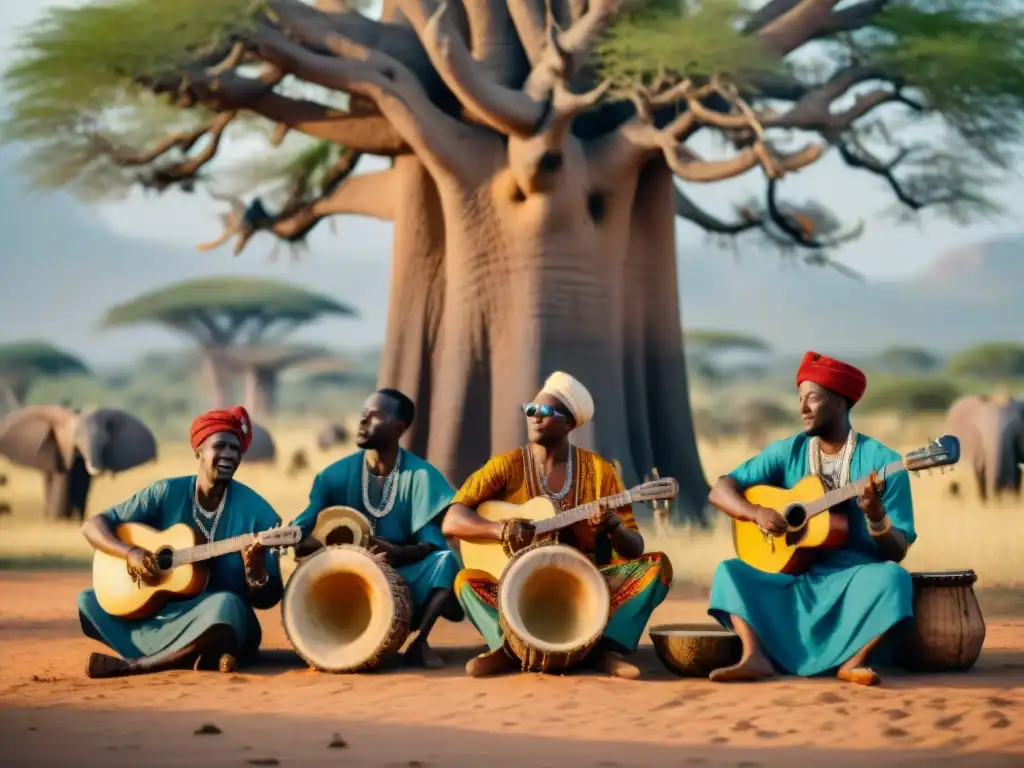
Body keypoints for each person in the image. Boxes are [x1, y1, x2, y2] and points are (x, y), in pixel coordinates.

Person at [441, 371, 673, 679]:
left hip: (583, 583)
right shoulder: (505, 466)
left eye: (546, 411)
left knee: (656, 567)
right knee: (466, 582)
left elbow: (635, 546)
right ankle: (508, 649)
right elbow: (452, 520)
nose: (535, 416)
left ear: (568, 423)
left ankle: (604, 649)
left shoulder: (599, 472)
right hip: (515, 583)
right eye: (530, 409)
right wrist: (502, 531)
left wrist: (613, 526)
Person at [706, 351, 916, 686]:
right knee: (729, 571)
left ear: (840, 403)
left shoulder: (883, 462)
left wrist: (876, 517)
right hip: (791, 576)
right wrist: (756, 512)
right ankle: (754, 656)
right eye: (800, 398)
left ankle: (854, 662)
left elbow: (897, 550)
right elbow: (721, 490)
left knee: (894, 579)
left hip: (852, 579)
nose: (802, 408)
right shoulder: (786, 451)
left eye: (813, 399)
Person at [78, 406, 284, 678]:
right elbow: (93, 525)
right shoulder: (165, 493)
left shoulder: (260, 514)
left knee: (226, 604)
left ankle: (139, 665)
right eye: (220, 446)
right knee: (89, 601)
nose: (229, 456)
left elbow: (269, 598)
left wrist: (256, 573)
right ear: (199, 450)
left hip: (221, 617)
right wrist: (130, 552)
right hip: (163, 615)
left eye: (236, 450)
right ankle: (200, 653)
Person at [290, 388, 462, 669]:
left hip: (403, 572)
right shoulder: (333, 476)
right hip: (346, 575)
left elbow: (431, 544)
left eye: (374, 416)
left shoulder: (421, 476)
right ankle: (330, 639)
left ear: (399, 428)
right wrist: (304, 540)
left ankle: (419, 644)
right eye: (362, 415)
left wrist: (394, 552)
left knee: (446, 561)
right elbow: (304, 525)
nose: (362, 421)